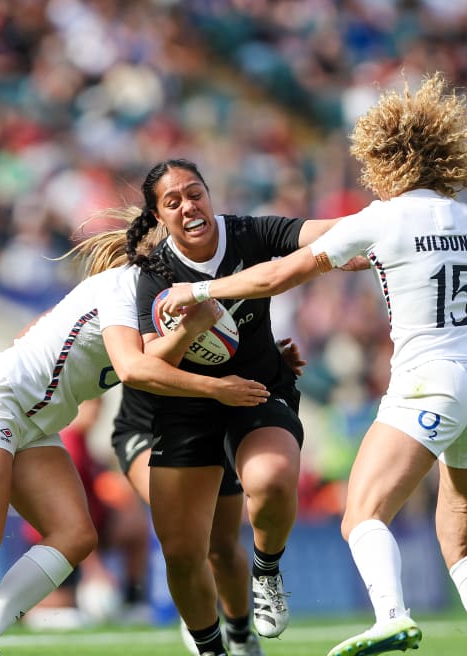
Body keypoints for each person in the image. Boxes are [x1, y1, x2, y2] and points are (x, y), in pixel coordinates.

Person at [156, 73, 467, 656]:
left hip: (428, 382)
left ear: (385, 157)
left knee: (361, 516)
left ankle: (391, 616)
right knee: (464, 546)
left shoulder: (383, 217)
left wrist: (201, 292)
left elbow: (278, 273)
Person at [0, 222, 269, 656]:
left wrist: (258, 356)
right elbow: (138, 367)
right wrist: (207, 369)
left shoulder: (150, 307)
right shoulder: (121, 284)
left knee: (76, 534)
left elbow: (159, 358)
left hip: (38, 423)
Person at [126, 157, 350, 656]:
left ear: (210, 194)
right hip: (187, 407)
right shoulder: (152, 273)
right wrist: (189, 327)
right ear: (159, 216)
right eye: (173, 201)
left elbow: (324, 231)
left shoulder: (249, 232)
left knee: (268, 481)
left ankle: (266, 574)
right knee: (189, 554)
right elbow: (148, 361)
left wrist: (385, 222)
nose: (189, 206)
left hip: (255, 391)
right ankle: (214, 648)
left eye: (195, 192)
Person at [110, 336, 304, 656]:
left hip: (207, 426)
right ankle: (201, 620)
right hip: (143, 429)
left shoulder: (211, 294)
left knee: (223, 547)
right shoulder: (137, 297)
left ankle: (240, 635)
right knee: (184, 537)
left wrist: (270, 357)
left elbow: (235, 335)